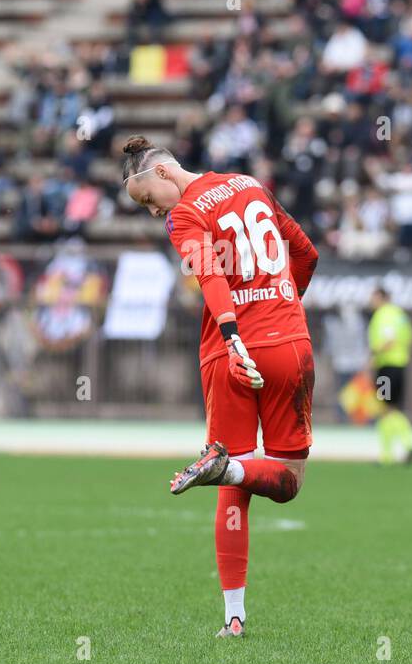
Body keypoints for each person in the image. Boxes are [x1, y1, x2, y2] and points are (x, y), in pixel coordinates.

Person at [120, 134, 319, 638]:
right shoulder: (249, 183)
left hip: (225, 354)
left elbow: (208, 271)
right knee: (286, 482)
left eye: (147, 201)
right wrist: (280, 303)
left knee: (231, 483)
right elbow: (307, 253)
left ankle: (234, 616)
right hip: (287, 347)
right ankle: (227, 467)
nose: (152, 213)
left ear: (162, 174)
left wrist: (232, 334)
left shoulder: (183, 214)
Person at [367, 286, 412, 466]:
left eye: (373, 297)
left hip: (386, 366)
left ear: (380, 297)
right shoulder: (399, 314)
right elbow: (411, 337)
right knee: (391, 408)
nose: (371, 301)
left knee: (385, 409)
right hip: (400, 365)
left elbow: (389, 340)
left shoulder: (384, 315)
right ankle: (398, 449)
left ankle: (402, 446)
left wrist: (373, 356)